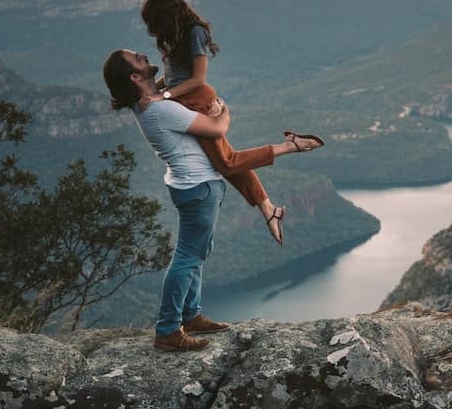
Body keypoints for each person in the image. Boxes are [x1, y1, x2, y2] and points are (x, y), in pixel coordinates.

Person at [101, 47, 321, 352]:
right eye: (138, 59)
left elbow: (175, 82)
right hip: (198, 189)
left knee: (198, 251)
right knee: (187, 257)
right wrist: (223, 110)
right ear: (135, 77)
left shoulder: (150, 102)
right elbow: (218, 129)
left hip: (193, 187)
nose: (143, 55)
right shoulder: (160, 109)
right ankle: (167, 329)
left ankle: (190, 315)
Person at [140, 0, 324, 245]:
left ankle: (291, 145)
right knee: (226, 162)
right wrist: (155, 89)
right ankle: (269, 209)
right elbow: (174, 75)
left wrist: (164, 96)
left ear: (166, 15)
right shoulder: (175, 35)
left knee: (226, 162)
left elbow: (197, 79)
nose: (152, 29)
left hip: (196, 100)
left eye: (154, 22)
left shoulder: (195, 33)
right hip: (183, 100)